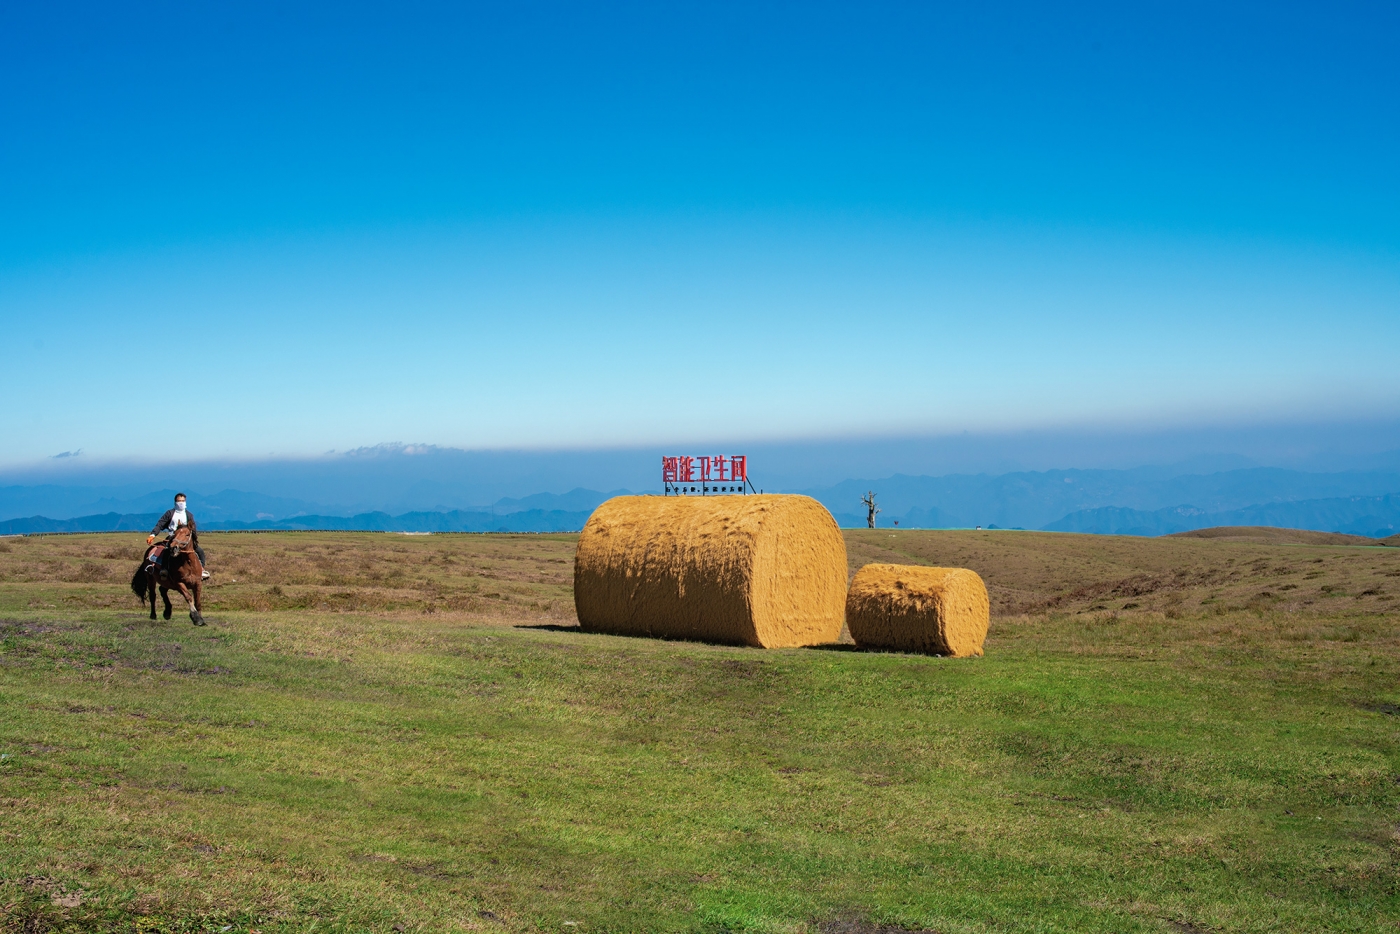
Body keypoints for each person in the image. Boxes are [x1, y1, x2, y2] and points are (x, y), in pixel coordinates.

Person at [147, 493, 210, 579]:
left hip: (186, 539)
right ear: (175, 502)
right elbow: (160, 524)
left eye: (183, 501)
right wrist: (153, 534)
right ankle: (164, 569)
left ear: (185, 502)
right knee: (166, 550)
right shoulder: (169, 513)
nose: (181, 503)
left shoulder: (189, 515)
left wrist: (194, 539)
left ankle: (201, 570)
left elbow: (193, 528)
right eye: (179, 501)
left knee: (200, 551)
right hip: (173, 537)